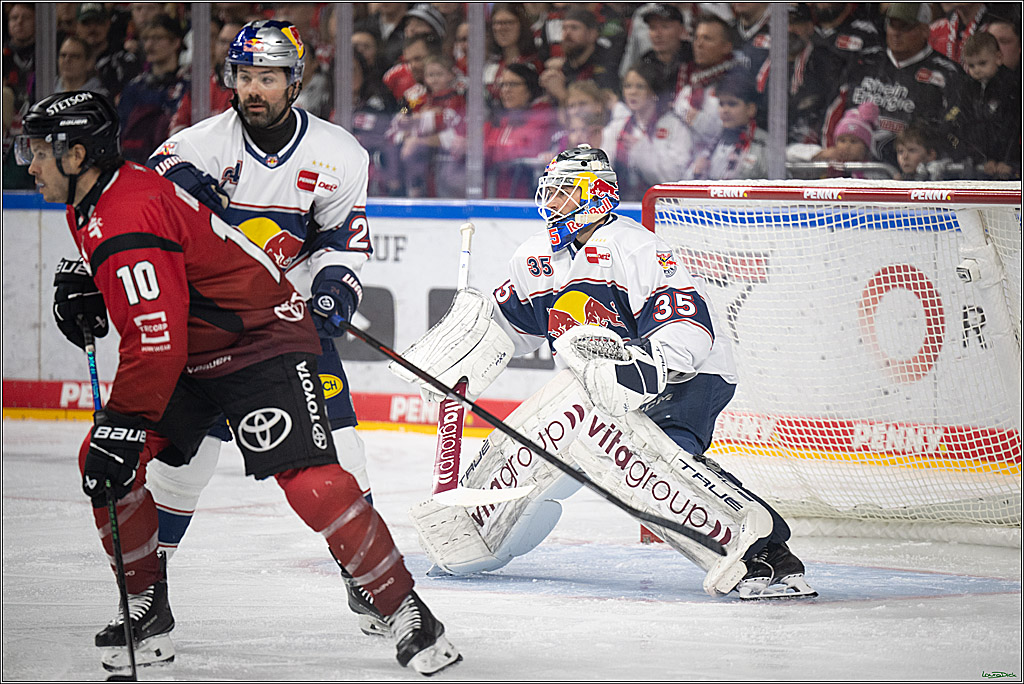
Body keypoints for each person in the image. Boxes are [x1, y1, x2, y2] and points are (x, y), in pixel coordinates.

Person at [15, 89, 461, 676]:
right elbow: (162, 284)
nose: (29, 162)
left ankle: (406, 610)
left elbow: (155, 338)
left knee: (312, 478)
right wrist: (88, 285)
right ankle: (147, 606)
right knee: (106, 465)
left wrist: (124, 421)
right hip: (191, 350)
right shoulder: (94, 200)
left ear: (76, 156)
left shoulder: (124, 213)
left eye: (39, 150)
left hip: (259, 341)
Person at [394, 144, 816, 601]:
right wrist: (459, 355)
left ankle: (766, 555)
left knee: (649, 464)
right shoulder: (537, 258)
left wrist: (641, 371)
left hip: (686, 376)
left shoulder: (634, 247)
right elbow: (508, 328)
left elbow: (687, 326)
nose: (551, 203)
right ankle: (473, 533)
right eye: (548, 192)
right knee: (536, 451)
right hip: (596, 388)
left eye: (562, 193)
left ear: (596, 193)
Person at [144, 19, 387, 635]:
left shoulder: (339, 154)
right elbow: (155, 227)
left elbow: (341, 243)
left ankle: (365, 574)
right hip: (207, 329)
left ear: (295, 82)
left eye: (269, 78)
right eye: (245, 76)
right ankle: (151, 589)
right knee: (182, 463)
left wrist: (333, 289)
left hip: (287, 328)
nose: (254, 89)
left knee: (341, 449)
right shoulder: (193, 149)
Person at [823, 3, 967, 168]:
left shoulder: (946, 73)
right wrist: (831, 154)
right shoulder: (864, 61)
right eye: (892, 25)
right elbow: (833, 110)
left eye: (905, 27)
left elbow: (953, 127)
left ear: (925, 30)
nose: (897, 33)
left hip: (914, 173)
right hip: (855, 168)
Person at [602, 61, 691, 199]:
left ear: (653, 91)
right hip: (623, 206)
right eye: (628, 86)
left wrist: (641, 150)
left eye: (640, 86)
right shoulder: (617, 127)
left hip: (663, 209)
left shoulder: (675, 126)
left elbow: (675, 177)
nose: (632, 92)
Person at [116, 13, 190, 163]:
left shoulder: (188, 86)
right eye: (146, 39)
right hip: (134, 164)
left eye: (157, 38)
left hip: (173, 162)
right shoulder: (133, 87)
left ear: (176, 42)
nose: (149, 45)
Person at [484, 62, 557, 198]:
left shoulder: (544, 115)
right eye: (503, 85)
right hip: (493, 198)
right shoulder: (498, 119)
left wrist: (492, 149)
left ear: (530, 87)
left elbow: (526, 149)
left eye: (513, 84)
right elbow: (477, 151)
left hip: (526, 201)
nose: (506, 90)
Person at [957, 31, 1021, 179]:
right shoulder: (968, 87)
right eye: (971, 66)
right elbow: (968, 126)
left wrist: (1008, 161)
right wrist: (980, 159)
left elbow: (1012, 128)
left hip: (1012, 160)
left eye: (982, 63)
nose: (977, 70)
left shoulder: (1012, 86)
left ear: (998, 58)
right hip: (982, 162)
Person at [685, 70, 769, 180]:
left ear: (751, 109)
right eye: (721, 104)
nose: (725, 110)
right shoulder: (710, 139)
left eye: (732, 104)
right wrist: (695, 173)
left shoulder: (766, 144)